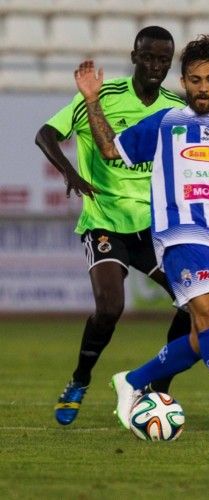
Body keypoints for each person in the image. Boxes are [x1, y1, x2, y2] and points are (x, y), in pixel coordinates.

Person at [74, 35, 209, 428]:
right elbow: (111, 149)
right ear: (183, 81)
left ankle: (133, 380)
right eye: (195, 80)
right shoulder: (167, 122)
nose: (202, 88)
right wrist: (92, 100)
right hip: (179, 234)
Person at [35, 26, 192, 426]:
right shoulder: (100, 96)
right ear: (135, 56)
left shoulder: (176, 106)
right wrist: (70, 173)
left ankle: (158, 386)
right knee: (110, 307)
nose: (156, 65)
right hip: (104, 220)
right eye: (149, 57)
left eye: (164, 60)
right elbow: (45, 135)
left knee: (195, 305)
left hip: (153, 227)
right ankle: (80, 379)